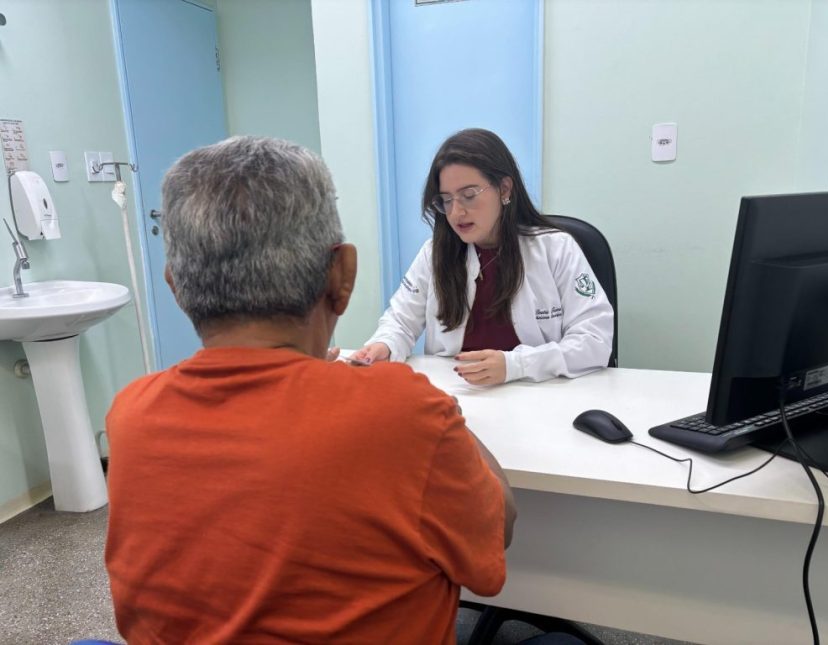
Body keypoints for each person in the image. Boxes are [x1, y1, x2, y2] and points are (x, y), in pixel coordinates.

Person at [103, 136, 516, 644]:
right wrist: (442, 414)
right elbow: (495, 539)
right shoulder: (404, 413)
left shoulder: (131, 416)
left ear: (175, 285)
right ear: (342, 275)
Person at [352, 128, 614, 386]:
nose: (456, 213)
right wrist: (384, 344)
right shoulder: (434, 254)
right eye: (446, 200)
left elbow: (595, 339)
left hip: (539, 394)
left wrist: (516, 365)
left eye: (468, 196)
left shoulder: (556, 249)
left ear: (504, 189)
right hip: (458, 395)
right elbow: (400, 321)